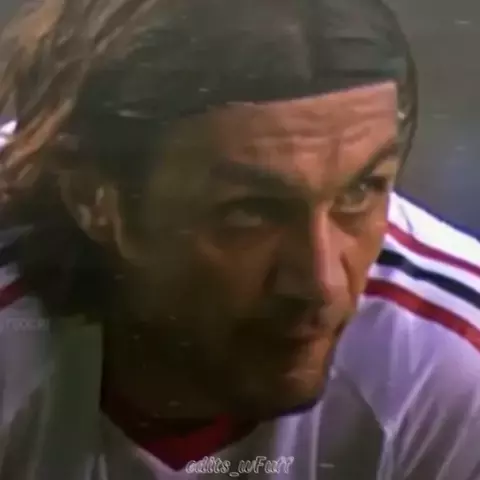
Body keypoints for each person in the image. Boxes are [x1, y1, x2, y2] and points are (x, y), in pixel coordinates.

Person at [0, 0, 479, 478]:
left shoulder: (452, 363)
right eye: (250, 211)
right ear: (93, 199)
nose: (321, 284)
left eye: (360, 191)